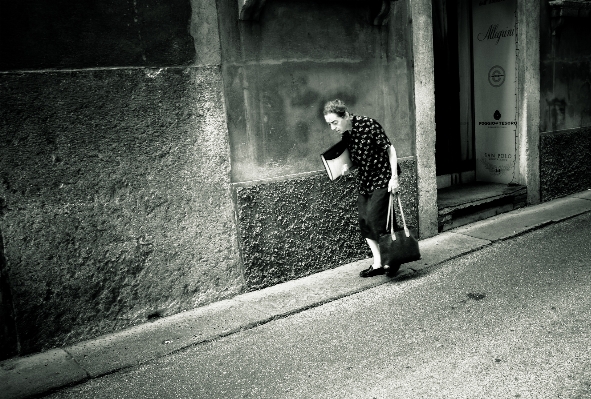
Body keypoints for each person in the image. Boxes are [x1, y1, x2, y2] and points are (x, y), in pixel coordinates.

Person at [323, 99, 400, 277]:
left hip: (382, 178)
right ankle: (378, 263)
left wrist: (394, 178)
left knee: (377, 219)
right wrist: (347, 168)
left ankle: (393, 259)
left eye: (335, 122)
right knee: (365, 222)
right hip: (365, 182)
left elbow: (391, 150)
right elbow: (358, 160)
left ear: (346, 115)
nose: (333, 127)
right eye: (330, 124)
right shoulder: (347, 135)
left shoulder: (369, 124)